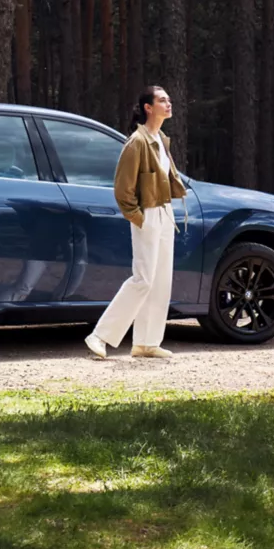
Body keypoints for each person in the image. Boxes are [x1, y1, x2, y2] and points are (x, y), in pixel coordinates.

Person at [85, 85, 189, 360]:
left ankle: (146, 342)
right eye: (162, 100)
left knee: (160, 280)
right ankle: (100, 336)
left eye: (169, 99)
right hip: (148, 215)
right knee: (142, 278)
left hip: (165, 214)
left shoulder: (161, 139)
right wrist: (139, 219)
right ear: (148, 107)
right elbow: (123, 190)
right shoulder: (137, 142)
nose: (169, 104)